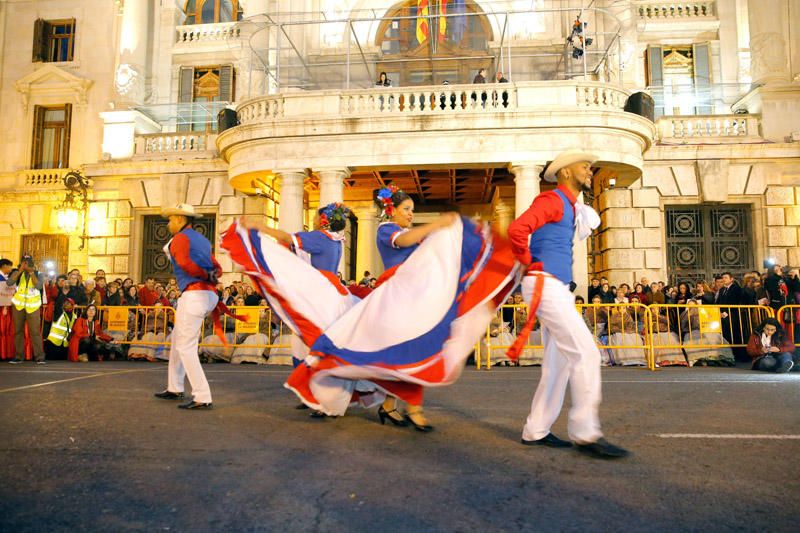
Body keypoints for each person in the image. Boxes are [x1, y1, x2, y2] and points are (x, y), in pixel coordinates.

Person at [507, 149, 628, 459]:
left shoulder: (571, 206)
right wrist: (527, 264)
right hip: (545, 282)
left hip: (554, 285)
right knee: (586, 353)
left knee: (558, 363)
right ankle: (586, 433)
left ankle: (536, 430)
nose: (590, 171)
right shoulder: (550, 201)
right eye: (584, 166)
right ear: (564, 172)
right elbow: (517, 229)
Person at [154, 203, 228, 410]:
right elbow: (218, 268)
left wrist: (205, 275)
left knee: (186, 347)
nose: (168, 223)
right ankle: (174, 386)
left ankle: (202, 395)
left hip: (194, 295)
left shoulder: (179, 239)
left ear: (179, 219)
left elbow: (185, 264)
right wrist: (211, 276)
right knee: (179, 339)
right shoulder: (203, 240)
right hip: (208, 295)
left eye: (171, 219)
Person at [7, 255, 46, 364]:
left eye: (27, 263)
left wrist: (31, 272)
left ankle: (39, 357)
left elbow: (38, 286)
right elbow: (9, 282)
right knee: (18, 331)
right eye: (24, 263)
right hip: (18, 306)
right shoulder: (17, 273)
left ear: (32, 264)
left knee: (35, 332)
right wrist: (20, 271)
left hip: (33, 306)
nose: (25, 265)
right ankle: (19, 356)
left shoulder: (39, 274)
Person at [0, 259, 16, 360]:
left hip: (4, 306)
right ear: (4, 266)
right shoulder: (1, 278)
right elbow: (3, 294)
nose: (10, 269)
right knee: (3, 330)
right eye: (10, 266)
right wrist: (5, 306)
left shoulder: (4, 278)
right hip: (2, 308)